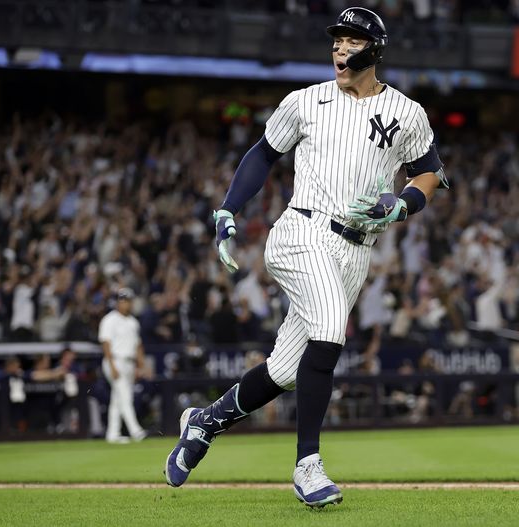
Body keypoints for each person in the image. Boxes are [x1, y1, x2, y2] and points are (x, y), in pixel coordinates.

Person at [164, 7, 447, 508]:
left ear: (374, 49)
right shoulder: (304, 100)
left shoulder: (408, 112)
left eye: (352, 41)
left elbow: (429, 174)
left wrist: (401, 205)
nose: (340, 49)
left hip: (356, 250)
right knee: (332, 329)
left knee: (285, 369)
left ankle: (205, 421)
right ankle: (307, 467)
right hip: (302, 232)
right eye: (336, 40)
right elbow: (263, 154)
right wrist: (229, 209)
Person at [98, 288, 147, 443]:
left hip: (129, 363)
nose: (125, 303)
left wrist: (141, 365)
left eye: (128, 300)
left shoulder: (133, 322)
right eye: (122, 300)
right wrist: (111, 365)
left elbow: (138, 345)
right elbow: (105, 343)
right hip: (115, 360)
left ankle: (112, 434)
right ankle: (136, 431)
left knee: (117, 399)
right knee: (125, 396)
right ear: (117, 302)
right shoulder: (109, 319)